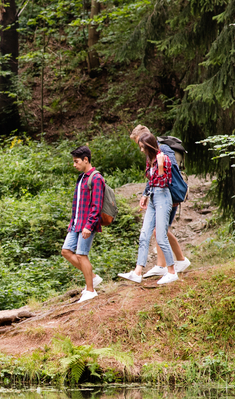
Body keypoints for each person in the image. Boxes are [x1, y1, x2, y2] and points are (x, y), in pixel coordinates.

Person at [129, 125, 191, 277]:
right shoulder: (151, 153)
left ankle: (176, 262)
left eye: (140, 143)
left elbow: (172, 173)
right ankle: (162, 265)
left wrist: (173, 197)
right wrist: (145, 194)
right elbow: (153, 177)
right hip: (158, 194)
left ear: (146, 138)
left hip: (169, 194)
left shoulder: (163, 150)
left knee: (160, 230)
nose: (140, 148)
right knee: (160, 230)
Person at [118, 133, 179, 285]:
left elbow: (165, 182)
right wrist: (145, 195)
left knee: (160, 236)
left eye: (142, 147)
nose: (141, 150)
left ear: (149, 146)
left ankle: (172, 272)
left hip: (163, 198)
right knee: (144, 235)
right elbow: (150, 180)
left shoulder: (163, 158)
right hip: (152, 198)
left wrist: (159, 166)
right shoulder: (149, 159)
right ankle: (137, 272)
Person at [61, 145, 105, 303]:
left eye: (76, 161)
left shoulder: (97, 178)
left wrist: (89, 225)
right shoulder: (81, 178)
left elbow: (96, 205)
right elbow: (77, 203)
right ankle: (92, 278)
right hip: (76, 223)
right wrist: (72, 222)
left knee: (81, 255)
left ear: (86, 160)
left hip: (87, 224)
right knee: (66, 251)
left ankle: (90, 290)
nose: (74, 164)